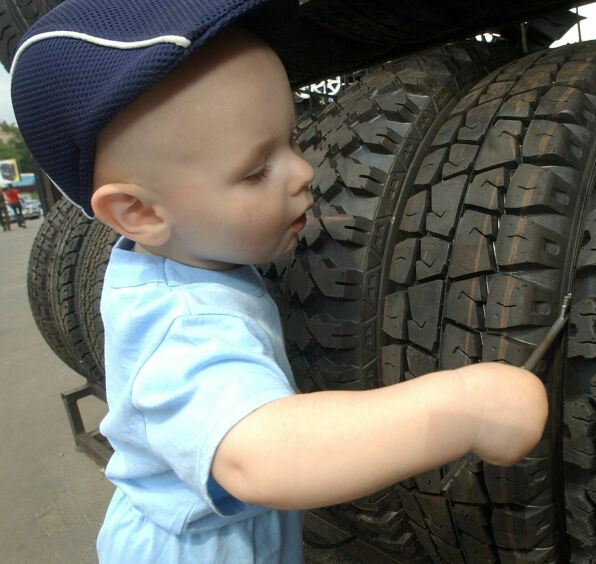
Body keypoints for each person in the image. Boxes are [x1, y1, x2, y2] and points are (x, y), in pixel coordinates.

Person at [11, 1, 548, 562]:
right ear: (140, 213)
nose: (303, 171)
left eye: (291, 140)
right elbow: (258, 456)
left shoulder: (175, 254)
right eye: (254, 171)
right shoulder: (183, 330)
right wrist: (468, 406)